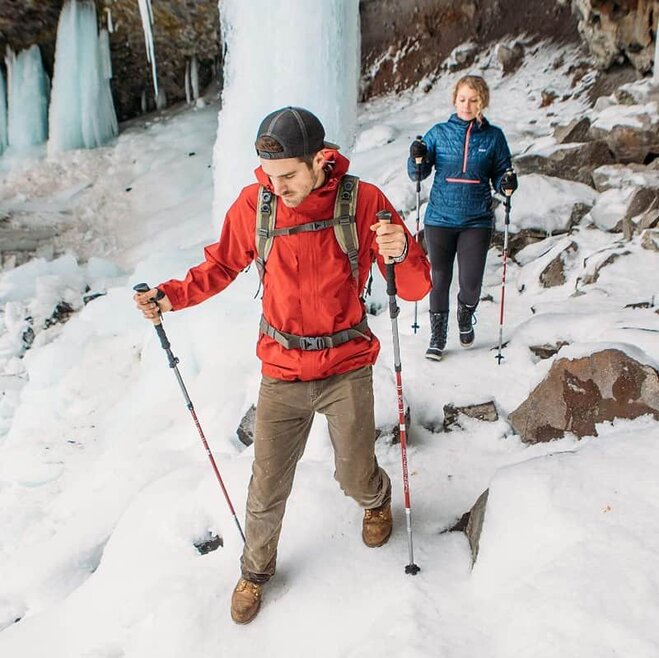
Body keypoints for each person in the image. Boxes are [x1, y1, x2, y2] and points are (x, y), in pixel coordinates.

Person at [135, 107, 431, 624]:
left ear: (320, 159)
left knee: (354, 474)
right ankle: (255, 573)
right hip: (283, 369)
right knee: (266, 486)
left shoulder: (362, 202)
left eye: (288, 175)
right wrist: (170, 297)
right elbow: (221, 264)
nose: (278, 186)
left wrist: (402, 249)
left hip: (346, 365)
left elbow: (414, 287)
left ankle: (377, 499)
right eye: (270, 176)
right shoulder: (258, 203)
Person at [407, 74, 518, 360]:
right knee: (440, 277)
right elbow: (418, 173)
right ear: (455, 100)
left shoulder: (494, 138)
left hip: (476, 221)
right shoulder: (439, 133)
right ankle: (438, 337)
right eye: (462, 99)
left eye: (473, 100)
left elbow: (502, 175)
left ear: (483, 102)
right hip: (440, 218)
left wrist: (507, 183)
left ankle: (465, 313)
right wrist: (416, 156)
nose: (466, 105)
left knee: (471, 284)